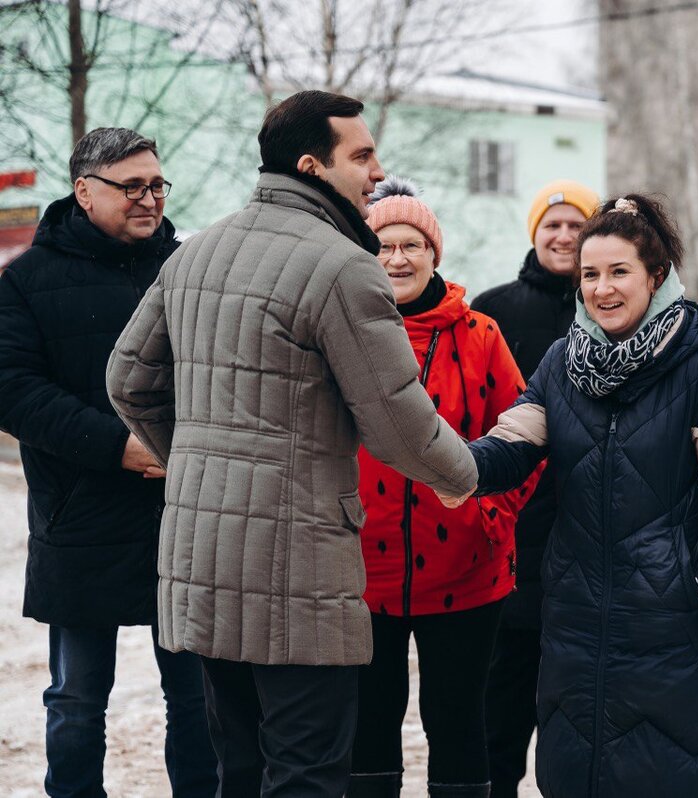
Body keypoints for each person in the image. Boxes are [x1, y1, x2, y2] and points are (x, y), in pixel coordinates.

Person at [106, 91, 478, 797]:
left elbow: (129, 380)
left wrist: (196, 466)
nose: (377, 172)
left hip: (204, 558)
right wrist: (464, 477)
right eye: (361, 156)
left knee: (241, 769)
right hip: (297, 567)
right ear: (312, 166)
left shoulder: (196, 252)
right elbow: (399, 422)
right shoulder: (342, 267)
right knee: (307, 772)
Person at [443, 193, 698, 797]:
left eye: (619, 271)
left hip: (670, 616)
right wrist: (445, 458)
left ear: (656, 276)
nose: (602, 288)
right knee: (577, 772)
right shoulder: (563, 361)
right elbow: (512, 443)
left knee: (669, 773)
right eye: (590, 274)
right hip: (576, 613)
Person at [0, 127, 217, 797]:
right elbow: (14, 391)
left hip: (184, 514)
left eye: (157, 184)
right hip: (80, 516)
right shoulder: (27, 280)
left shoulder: (190, 269)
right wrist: (117, 446)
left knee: (200, 700)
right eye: (132, 186)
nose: (149, 198)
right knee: (77, 699)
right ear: (84, 191)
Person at [349, 177, 540, 798]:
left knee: (458, 723)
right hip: (363, 572)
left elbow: (525, 438)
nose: (397, 259)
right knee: (368, 725)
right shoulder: (343, 331)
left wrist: (491, 517)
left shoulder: (480, 334)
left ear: (434, 254)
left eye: (412, 245)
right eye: (383, 245)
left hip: (468, 570)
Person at [471, 178, 599, 798]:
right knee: (501, 711)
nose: (564, 236)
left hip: (589, 539)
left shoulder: (614, 315)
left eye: (577, 225)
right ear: (534, 233)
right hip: (511, 539)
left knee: (577, 720)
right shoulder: (493, 311)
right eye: (554, 224)